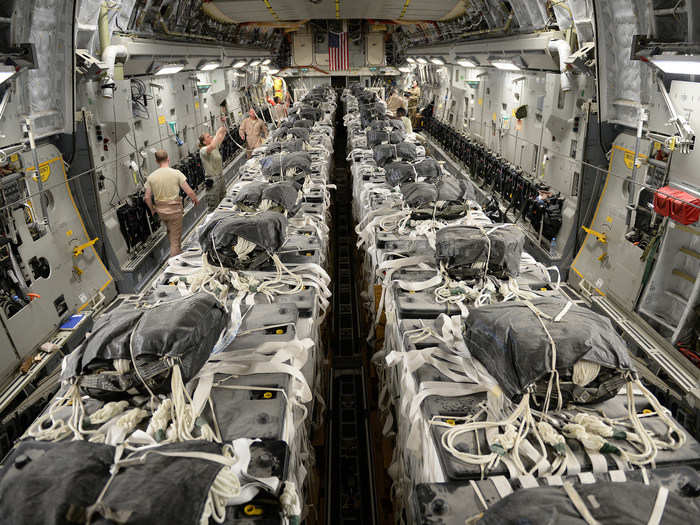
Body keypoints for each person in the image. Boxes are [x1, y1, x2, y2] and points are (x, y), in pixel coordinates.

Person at [143, 150, 199, 257]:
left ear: (156, 161)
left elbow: (146, 197)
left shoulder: (151, 177)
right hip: (174, 211)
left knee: (171, 232)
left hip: (161, 212)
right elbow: (189, 191)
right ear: (168, 159)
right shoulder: (176, 173)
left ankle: (177, 252)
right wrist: (195, 199)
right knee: (175, 240)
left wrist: (152, 210)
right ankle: (175, 259)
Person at [199, 125, 227, 212]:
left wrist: (223, 129)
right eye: (208, 136)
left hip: (220, 177)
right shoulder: (203, 150)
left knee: (223, 202)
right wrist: (218, 132)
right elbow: (212, 145)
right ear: (204, 142)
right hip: (213, 181)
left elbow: (221, 137)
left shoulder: (215, 147)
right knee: (213, 207)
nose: (211, 136)